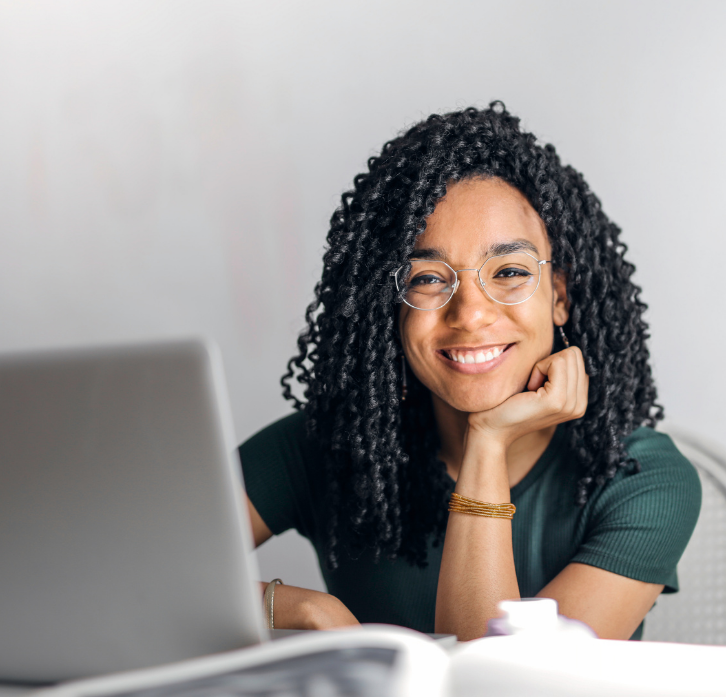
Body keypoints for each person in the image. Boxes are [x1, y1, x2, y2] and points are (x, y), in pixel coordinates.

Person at [240, 102, 701, 641]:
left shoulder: (640, 479)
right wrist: (294, 608)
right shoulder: (327, 445)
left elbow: (502, 693)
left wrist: (488, 441)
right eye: (429, 279)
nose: (471, 313)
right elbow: (128, 575)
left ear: (560, 296)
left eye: (508, 271)